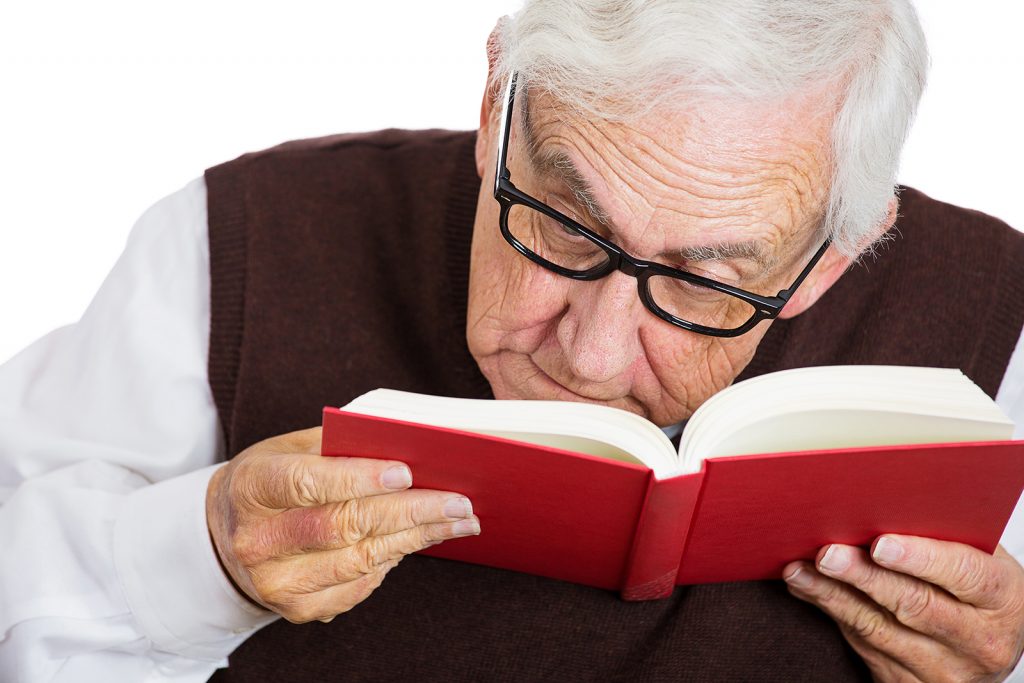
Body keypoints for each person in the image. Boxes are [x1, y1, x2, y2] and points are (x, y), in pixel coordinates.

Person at [2, 0, 1023, 680]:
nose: (587, 355)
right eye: (565, 226)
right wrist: (204, 552)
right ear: (497, 108)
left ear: (834, 258)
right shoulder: (237, 237)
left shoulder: (998, 313)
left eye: (704, 284)